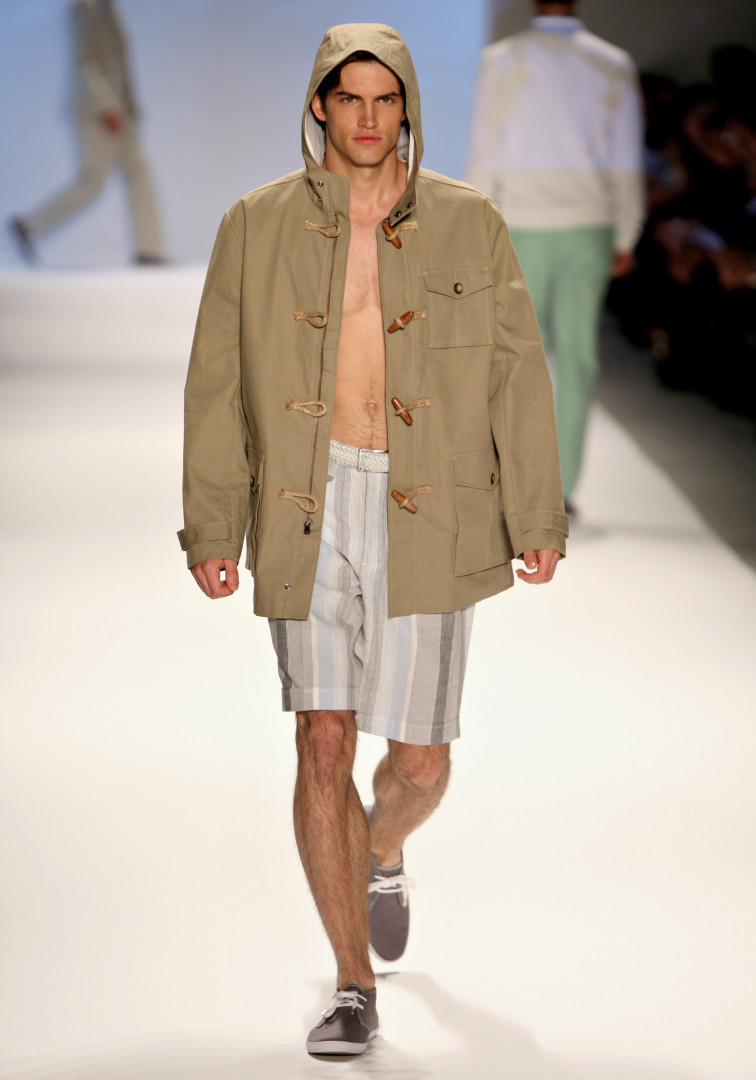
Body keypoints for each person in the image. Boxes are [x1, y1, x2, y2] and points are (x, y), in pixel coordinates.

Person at [178, 23, 568, 1056]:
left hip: (430, 502)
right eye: (347, 98)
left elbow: (517, 371)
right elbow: (217, 381)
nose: (366, 117)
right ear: (318, 104)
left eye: (383, 100)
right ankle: (353, 982)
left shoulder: (468, 220)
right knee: (322, 738)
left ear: (407, 108)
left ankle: (381, 847)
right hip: (303, 502)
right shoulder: (254, 224)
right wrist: (215, 521)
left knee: (423, 763)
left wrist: (536, 512)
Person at [466, 0, 644, 513]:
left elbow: (484, 149)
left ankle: (515, 481)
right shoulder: (611, 62)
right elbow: (626, 156)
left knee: (514, 358)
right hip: (589, 227)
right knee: (577, 356)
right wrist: (626, 235)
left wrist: (476, 228)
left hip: (520, 225)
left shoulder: (501, 59)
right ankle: (558, 491)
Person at [9, 0, 163, 265]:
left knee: (138, 171)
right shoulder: (86, 7)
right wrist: (106, 105)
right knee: (93, 182)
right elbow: (85, 61)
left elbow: (120, 65)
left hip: (121, 111)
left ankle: (149, 251)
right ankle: (29, 225)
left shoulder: (110, 8)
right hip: (97, 113)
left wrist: (128, 107)